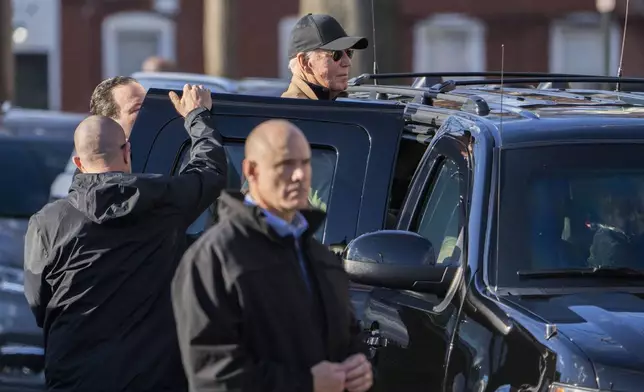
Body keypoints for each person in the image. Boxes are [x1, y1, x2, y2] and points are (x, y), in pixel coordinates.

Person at [23, 84, 228, 391]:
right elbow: (210, 171)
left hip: (75, 379)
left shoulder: (47, 223)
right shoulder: (162, 201)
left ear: (78, 164)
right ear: (127, 152)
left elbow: (40, 304)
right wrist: (197, 116)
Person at [172, 119, 373, 392]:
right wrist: (308, 384)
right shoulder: (215, 258)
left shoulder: (317, 255)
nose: (300, 175)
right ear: (251, 171)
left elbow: (346, 338)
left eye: (305, 163)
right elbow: (214, 378)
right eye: (286, 164)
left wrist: (358, 365)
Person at [283, 13, 368, 100]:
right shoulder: (293, 111)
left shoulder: (340, 102)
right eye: (336, 54)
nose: (347, 62)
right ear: (304, 62)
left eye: (349, 52)